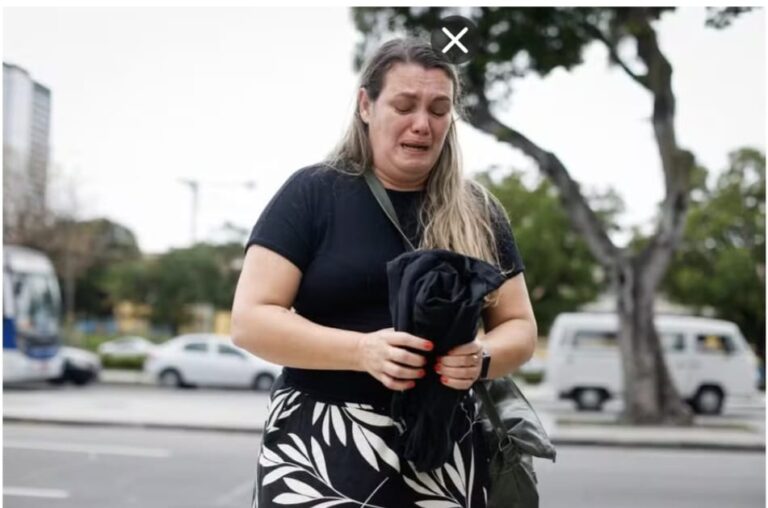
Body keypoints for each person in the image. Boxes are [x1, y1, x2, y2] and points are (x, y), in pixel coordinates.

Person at [231, 37, 537, 508]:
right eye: (404, 105)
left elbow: (519, 328)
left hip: (444, 449)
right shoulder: (311, 193)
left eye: (439, 109)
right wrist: (362, 350)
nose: (422, 124)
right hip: (319, 440)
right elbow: (250, 321)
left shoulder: (479, 210)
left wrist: (482, 357)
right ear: (366, 105)